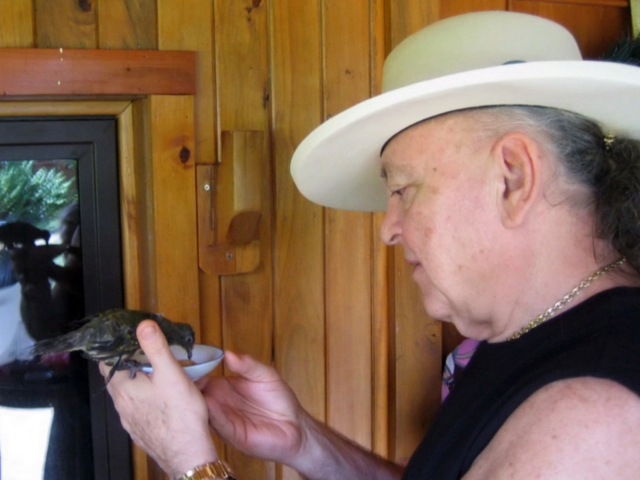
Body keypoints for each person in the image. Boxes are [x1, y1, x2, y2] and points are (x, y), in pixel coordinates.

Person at [101, 11, 640, 480]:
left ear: (514, 178)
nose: (388, 227)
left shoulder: (594, 420)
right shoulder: (530, 333)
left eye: (403, 190)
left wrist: (191, 462)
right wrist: (305, 444)